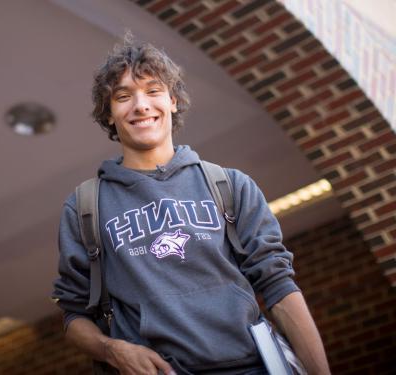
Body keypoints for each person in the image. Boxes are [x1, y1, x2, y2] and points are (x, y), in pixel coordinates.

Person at [52, 34, 331, 375]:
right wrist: (113, 351)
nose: (140, 106)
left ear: (172, 101)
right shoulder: (85, 207)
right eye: (123, 97)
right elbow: (74, 314)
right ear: (108, 114)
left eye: (153, 91)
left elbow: (279, 287)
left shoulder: (229, 186)